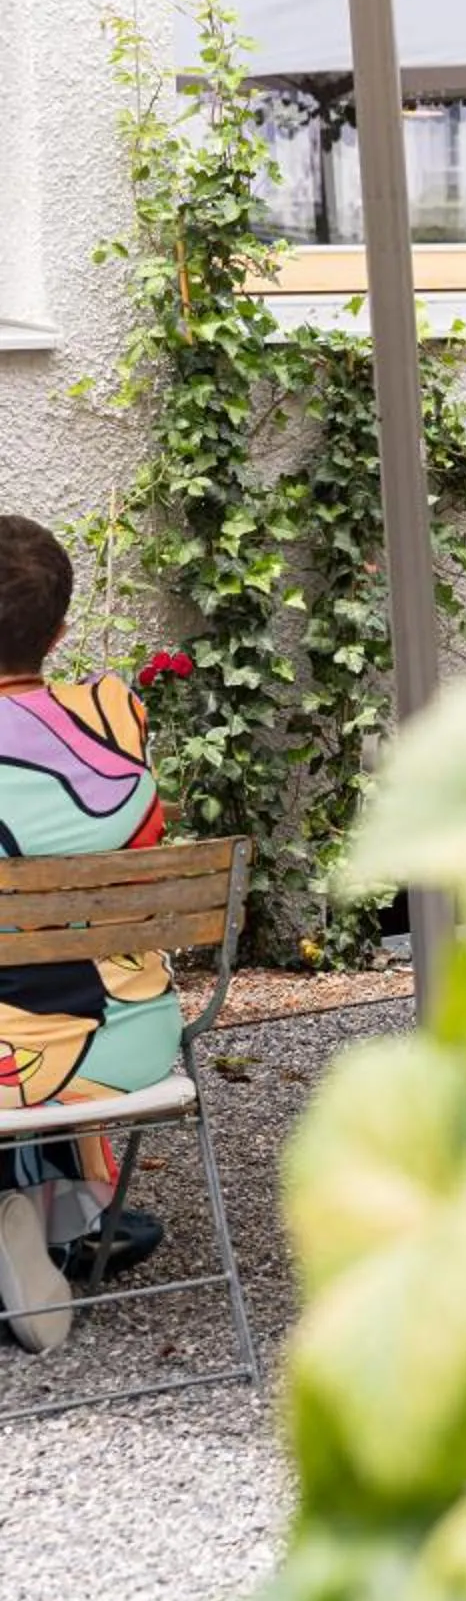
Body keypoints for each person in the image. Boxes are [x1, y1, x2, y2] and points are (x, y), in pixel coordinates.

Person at [0, 517, 178, 1352]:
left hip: (21, 1061)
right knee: (46, 983)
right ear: (60, 630)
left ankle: (27, 1219)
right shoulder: (117, 716)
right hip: (131, 1042)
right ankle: (60, 1214)